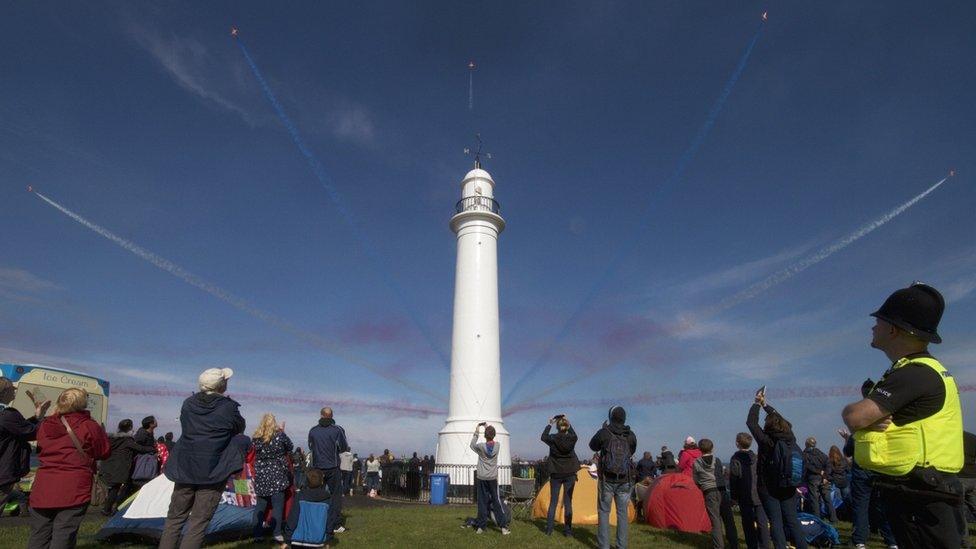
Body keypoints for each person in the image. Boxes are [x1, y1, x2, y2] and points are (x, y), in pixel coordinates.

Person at [842, 283, 963, 549]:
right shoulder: (922, 370)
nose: (873, 327)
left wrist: (860, 416)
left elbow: (855, 417)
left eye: (879, 321)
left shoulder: (914, 373)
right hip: (927, 489)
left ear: (894, 329)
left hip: (920, 495)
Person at [160, 367, 246, 549]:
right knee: (199, 522)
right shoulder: (228, 407)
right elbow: (239, 427)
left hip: (186, 467)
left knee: (174, 519)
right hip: (213, 470)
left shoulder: (188, 403)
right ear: (222, 384)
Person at [27, 388, 110, 549]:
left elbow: (41, 447)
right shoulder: (88, 425)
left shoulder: (45, 424)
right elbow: (104, 451)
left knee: (38, 535)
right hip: (73, 488)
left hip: (44, 486)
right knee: (64, 535)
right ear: (82, 403)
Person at [746, 390, 808, 549]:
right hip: (788, 485)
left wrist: (756, 403)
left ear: (768, 426)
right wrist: (765, 405)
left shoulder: (766, 441)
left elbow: (751, 423)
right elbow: (780, 419)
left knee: (776, 522)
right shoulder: (790, 438)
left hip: (769, 487)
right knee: (792, 520)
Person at [0, 378, 49, 517]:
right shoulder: (7, 414)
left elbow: (17, 428)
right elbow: (31, 432)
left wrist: (36, 417)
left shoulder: (6, 416)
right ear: (4, 392)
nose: (14, 392)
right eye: (12, 390)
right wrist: (41, 418)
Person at [589, 406, 637, 549]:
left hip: (606, 480)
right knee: (622, 514)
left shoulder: (605, 432)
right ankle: (621, 546)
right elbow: (632, 450)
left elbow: (592, 446)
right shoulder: (631, 435)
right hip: (625, 479)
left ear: (611, 417)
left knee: (604, 512)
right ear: (624, 418)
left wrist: (603, 430)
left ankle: (603, 546)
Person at [99, 418, 156, 516]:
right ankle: (107, 509)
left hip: (109, 464)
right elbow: (140, 448)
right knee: (115, 488)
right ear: (130, 427)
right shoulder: (127, 440)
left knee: (113, 488)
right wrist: (153, 449)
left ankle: (107, 507)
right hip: (120, 467)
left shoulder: (112, 438)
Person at [307, 407, 349, 540]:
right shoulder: (337, 430)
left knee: (316, 494)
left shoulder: (313, 431)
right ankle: (335, 524)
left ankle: (315, 521)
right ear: (332, 416)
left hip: (318, 467)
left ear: (321, 415)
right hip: (332, 466)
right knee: (335, 496)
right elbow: (343, 447)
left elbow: (310, 446)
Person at [252, 413, 293, 545]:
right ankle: (277, 533)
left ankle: (257, 534)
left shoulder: (257, 437)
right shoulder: (279, 436)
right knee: (277, 506)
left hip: (262, 474)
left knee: (260, 505)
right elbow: (290, 446)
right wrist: (281, 431)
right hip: (277, 473)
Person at [730, 432, 771, 549]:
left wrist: (734, 496)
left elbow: (734, 478)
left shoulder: (736, 459)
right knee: (762, 521)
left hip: (745, 493)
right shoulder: (756, 457)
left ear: (737, 443)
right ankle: (765, 545)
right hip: (759, 492)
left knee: (748, 523)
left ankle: (752, 545)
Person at [541, 415, 579, 537]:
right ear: (567, 426)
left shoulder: (552, 439)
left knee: (553, 501)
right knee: (568, 503)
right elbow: (573, 433)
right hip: (570, 473)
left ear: (557, 427)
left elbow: (543, 437)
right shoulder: (572, 438)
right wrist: (567, 420)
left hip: (556, 473)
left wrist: (550, 424)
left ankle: (549, 530)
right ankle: (568, 531)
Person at [468, 423, 509, 535]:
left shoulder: (481, 447)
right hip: (492, 478)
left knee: (482, 502)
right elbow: (491, 437)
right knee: (496, 502)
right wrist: (487, 427)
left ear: (485, 435)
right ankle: (503, 527)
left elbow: (472, 445)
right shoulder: (498, 446)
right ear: (494, 435)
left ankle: (481, 527)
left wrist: (477, 432)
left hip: (481, 477)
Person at [693, 438, 727, 549]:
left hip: (709, 491)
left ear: (699, 449)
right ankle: (731, 541)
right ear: (712, 448)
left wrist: (702, 486)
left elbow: (696, 480)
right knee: (726, 517)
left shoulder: (697, 462)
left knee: (715, 520)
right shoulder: (717, 460)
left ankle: (718, 546)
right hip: (720, 489)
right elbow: (721, 474)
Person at [283, 468, 331, 547]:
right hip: (317, 540)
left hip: (298, 539)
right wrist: (328, 538)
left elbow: (293, 518)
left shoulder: (300, 496)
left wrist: (287, 537)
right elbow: (330, 521)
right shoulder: (327, 499)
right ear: (322, 482)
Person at [802, 437, 837, 522]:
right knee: (827, 499)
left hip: (813, 478)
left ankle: (817, 518)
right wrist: (826, 475)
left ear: (806, 444)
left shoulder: (805, 454)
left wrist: (819, 472)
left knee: (814, 500)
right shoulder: (821, 454)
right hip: (823, 479)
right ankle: (833, 518)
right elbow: (828, 464)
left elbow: (807, 466)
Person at [957, 431, 976, 548]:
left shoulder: (952, 437)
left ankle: (965, 542)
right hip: (973, 476)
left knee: (959, 512)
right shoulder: (972, 438)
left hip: (959, 476)